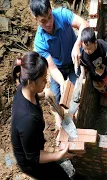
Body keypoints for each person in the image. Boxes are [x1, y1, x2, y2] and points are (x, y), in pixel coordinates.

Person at [11, 51, 75, 180]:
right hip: (31, 163)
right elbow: (34, 156)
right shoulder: (27, 119)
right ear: (31, 82)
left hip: (32, 146)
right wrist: (59, 155)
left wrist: (45, 92)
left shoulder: (23, 89)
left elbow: (35, 94)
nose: (47, 82)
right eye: (43, 80)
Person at [30, 0, 89, 127]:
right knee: (55, 99)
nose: (49, 23)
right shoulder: (39, 42)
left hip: (75, 61)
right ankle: (59, 117)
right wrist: (63, 83)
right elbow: (52, 68)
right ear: (36, 19)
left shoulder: (62, 14)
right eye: (43, 21)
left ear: (51, 11)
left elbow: (84, 24)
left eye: (49, 17)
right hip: (58, 68)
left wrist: (77, 45)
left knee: (76, 94)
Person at [79, 27, 107, 108]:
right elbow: (82, 64)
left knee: (106, 81)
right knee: (99, 86)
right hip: (95, 77)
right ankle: (106, 93)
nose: (87, 51)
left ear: (95, 43)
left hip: (105, 71)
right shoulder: (83, 55)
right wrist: (82, 75)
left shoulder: (104, 48)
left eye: (89, 48)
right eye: (85, 49)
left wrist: (106, 75)